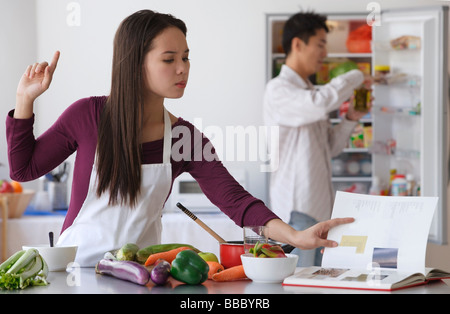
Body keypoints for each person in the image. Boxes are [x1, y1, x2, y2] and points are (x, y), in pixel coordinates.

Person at [7, 9, 353, 267]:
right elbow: (23, 170)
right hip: (75, 271)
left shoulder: (185, 137)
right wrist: (25, 100)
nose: (183, 68)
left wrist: (294, 236)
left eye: (186, 57)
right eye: (169, 59)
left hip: (140, 274)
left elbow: (235, 200)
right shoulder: (88, 116)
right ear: (134, 62)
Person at [263, 12, 370, 266]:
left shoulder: (308, 93)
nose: (325, 53)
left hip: (318, 208)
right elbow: (322, 103)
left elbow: (330, 148)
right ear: (298, 44)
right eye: (320, 44)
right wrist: (357, 75)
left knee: (311, 282)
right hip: (297, 210)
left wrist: (351, 118)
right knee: (295, 282)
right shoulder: (279, 90)